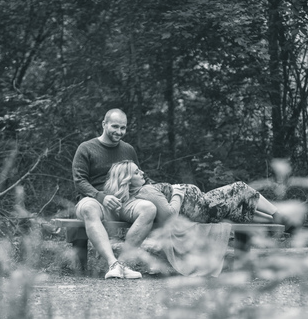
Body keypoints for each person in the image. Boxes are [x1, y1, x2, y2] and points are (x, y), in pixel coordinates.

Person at [72, 109, 157, 279]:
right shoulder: (86, 148)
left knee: (149, 208)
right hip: (94, 200)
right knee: (89, 208)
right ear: (104, 124)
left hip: (124, 201)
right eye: (115, 126)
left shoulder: (128, 150)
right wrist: (101, 197)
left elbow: (139, 176)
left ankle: (122, 265)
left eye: (123, 128)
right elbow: (79, 181)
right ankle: (113, 263)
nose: (119, 132)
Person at [103, 160, 286, 227]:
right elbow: (170, 215)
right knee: (241, 188)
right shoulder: (146, 191)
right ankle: (280, 216)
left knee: (240, 210)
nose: (142, 173)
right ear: (126, 180)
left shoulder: (138, 192)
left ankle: (281, 224)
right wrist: (178, 192)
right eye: (136, 172)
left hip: (201, 206)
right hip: (203, 207)